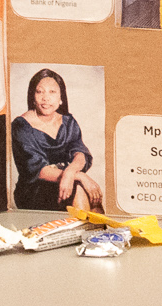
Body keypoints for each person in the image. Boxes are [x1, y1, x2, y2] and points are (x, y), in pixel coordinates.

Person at [9, 69, 103, 211]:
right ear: (33, 97)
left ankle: (99, 232)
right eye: (40, 92)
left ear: (61, 98)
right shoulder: (21, 125)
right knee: (79, 188)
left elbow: (80, 153)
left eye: (52, 92)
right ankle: (84, 232)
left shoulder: (68, 121)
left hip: (67, 180)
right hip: (34, 189)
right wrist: (79, 176)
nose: (46, 98)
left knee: (93, 200)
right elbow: (37, 170)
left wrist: (71, 172)